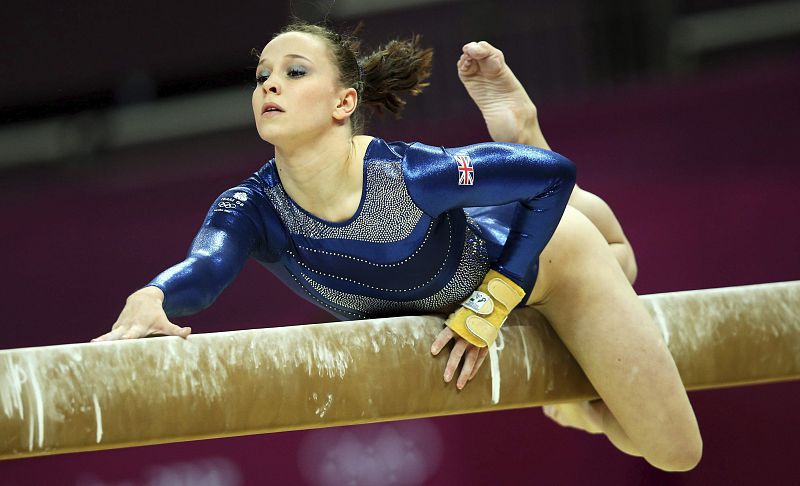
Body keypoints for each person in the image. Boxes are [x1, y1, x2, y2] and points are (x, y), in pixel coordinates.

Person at [93, 21, 701, 471]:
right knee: (616, 262)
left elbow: (553, 176)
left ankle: (523, 131)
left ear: (344, 102)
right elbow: (205, 267)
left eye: (294, 72)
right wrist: (155, 296)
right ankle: (520, 150)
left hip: (543, 258)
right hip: (467, 248)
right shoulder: (249, 208)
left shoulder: (409, 175)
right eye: (262, 77)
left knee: (673, 448)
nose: (270, 85)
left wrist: (495, 298)